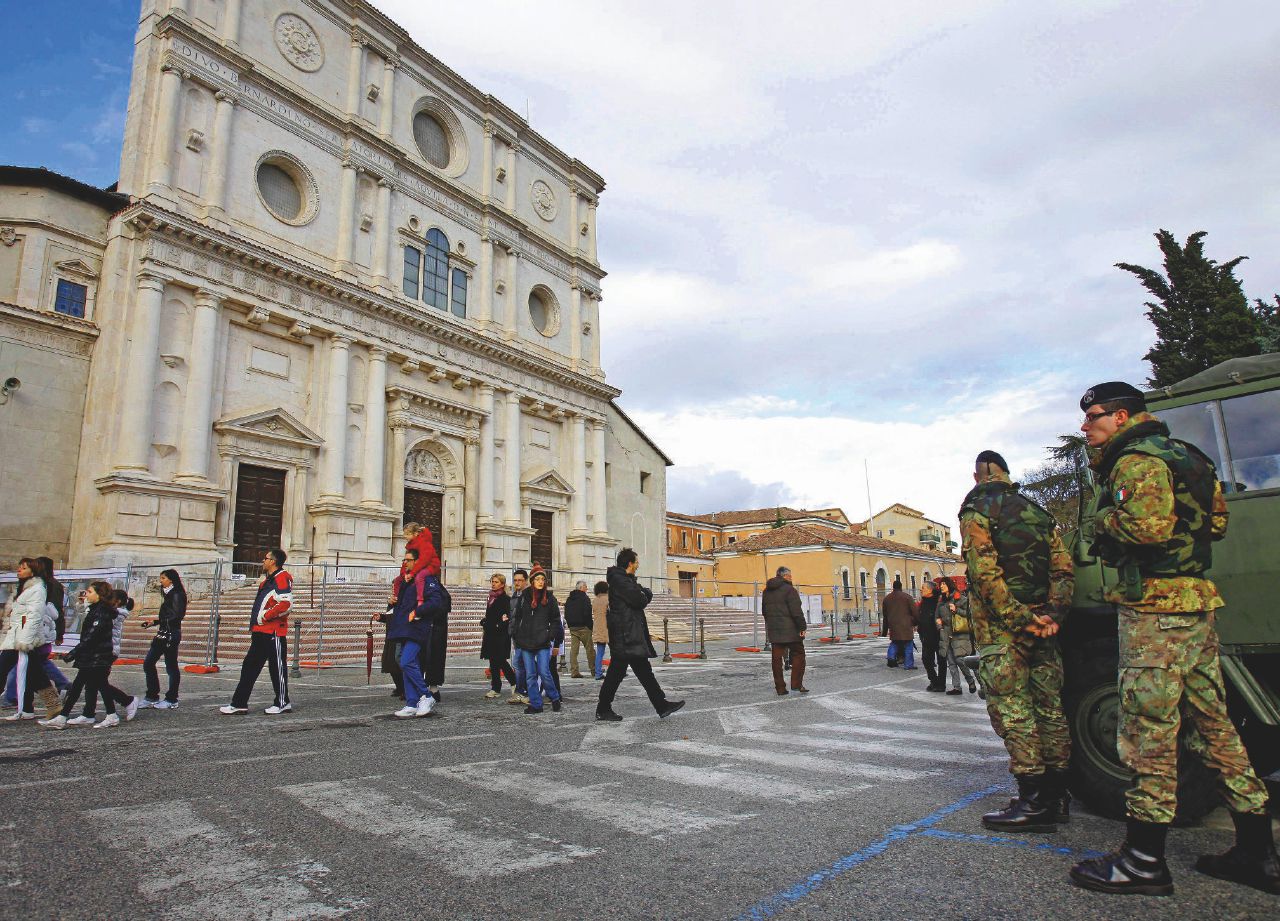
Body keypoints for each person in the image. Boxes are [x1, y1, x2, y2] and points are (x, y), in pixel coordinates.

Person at [1068, 382, 1277, 896]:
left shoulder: (1136, 460)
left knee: (1147, 731)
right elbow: (1220, 520)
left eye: (1093, 416)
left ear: (1121, 416)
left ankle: (1143, 859)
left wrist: (1100, 522)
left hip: (1156, 612)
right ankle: (1257, 849)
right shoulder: (1188, 456)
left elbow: (1148, 528)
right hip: (1195, 604)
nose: (1086, 425)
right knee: (1214, 726)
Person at [958, 450, 1072, 834]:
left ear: (977, 477)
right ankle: (1057, 797)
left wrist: (1020, 619)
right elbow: (1063, 567)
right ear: (1007, 474)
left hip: (1004, 630)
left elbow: (984, 573)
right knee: (1050, 708)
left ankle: (1033, 801)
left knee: (1014, 711)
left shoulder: (977, 508)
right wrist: (1052, 614)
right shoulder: (1037, 512)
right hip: (1045, 626)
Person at [596, 548, 684, 721]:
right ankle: (603, 708)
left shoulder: (624, 580)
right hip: (625, 636)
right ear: (630, 563)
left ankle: (661, 705)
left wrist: (643, 593)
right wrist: (645, 593)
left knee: (643, 671)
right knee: (617, 674)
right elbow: (640, 599)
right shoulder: (620, 581)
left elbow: (639, 595)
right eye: (636, 562)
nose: (638, 565)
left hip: (630, 635)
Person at [220, 549, 293, 715]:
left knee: (277, 668)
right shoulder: (268, 580)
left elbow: (286, 603)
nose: (263, 561)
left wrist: (264, 616)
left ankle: (283, 702)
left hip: (273, 631)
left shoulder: (282, 577)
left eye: (266, 558)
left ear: (273, 561)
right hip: (261, 631)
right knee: (249, 666)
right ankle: (239, 703)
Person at [41, 580, 119, 729]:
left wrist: (73, 653)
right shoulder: (96, 609)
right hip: (93, 656)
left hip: (97, 656)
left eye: (90, 592)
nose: (86, 594)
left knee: (98, 686)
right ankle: (65, 717)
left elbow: (91, 637)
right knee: (81, 686)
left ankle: (111, 715)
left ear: (100, 595)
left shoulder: (101, 612)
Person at [386, 548, 443, 718]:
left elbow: (435, 602)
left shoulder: (427, 579)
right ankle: (412, 702)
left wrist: (417, 612)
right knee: (408, 663)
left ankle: (426, 695)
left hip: (417, 627)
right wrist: (392, 603)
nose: (406, 563)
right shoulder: (408, 580)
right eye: (405, 560)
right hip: (404, 627)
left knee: (406, 661)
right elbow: (402, 604)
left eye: (409, 560)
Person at [1, 557, 60, 721]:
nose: (19, 569)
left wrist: (25, 640)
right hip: (17, 636)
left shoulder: (37, 589)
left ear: (32, 571)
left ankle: (53, 705)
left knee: (2, 669)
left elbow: (35, 616)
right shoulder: (23, 588)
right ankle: (52, 705)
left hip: (23, 639)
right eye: (19, 567)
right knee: (35, 673)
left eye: (23, 567)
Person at [511, 568, 562, 715]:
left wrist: (550, 636)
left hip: (543, 641)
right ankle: (536, 704)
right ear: (532, 581)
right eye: (538, 579)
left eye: (543, 580)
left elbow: (556, 620)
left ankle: (554, 697)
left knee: (544, 671)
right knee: (530, 674)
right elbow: (518, 618)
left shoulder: (550, 598)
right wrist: (517, 635)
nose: (541, 582)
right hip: (526, 641)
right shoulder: (524, 597)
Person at [138, 568, 186, 709]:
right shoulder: (168, 594)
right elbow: (169, 615)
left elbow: (177, 615)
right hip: (163, 632)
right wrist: (155, 622)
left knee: (171, 666)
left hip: (171, 634)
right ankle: (152, 695)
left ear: (171, 579)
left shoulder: (177, 594)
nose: (161, 581)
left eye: (163, 578)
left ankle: (172, 699)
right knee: (148, 663)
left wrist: (162, 621)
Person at [761, 566, 808, 695]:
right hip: (791, 631)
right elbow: (796, 612)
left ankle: (780, 688)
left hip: (774, 631)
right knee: (799, 654)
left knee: (776, 660)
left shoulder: (766, 591)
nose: (791, 578)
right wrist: (802, 627)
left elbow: (764, 612)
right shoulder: (790, 590)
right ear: (785, 576)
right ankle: (796, 685)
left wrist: (772, 624)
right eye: (790, 576)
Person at [937, 578, 978, 696]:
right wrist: (939, 625)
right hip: (946, 634)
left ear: (949, 585)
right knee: (951, 662)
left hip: (960, 634)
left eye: (944, 584)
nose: (941, 586)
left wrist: (957, 610)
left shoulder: (961, 599)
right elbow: (937, 616)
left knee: (961, 660)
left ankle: (970, 681)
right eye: (941, 584)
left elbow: (970, 615)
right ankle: (957, 687)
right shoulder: (941, 601)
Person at [480, 573, 517, 699]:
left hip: (500, 635)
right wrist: (485, 621)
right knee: (493, 661)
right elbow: (491, 614)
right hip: (490, 634)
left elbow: (507, 616)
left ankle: (514, 683)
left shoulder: (505, 598)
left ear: (502, 584)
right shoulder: (490, 597)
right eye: (492, 581)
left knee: (500, 660)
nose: (493, 584)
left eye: (496, 582)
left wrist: (497, 625)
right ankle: (495, 688)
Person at [879, 580, 917, 669]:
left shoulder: (887, 599)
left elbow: (885, 616)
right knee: (908, 644)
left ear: (893, 587)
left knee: (894, 643)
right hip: (906, 625)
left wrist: (884, 631)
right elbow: (915, 612)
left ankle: (891, 659)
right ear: (901, 587)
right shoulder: (908, 597)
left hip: (893, 626)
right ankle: (908, 665)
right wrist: (915, 623)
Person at [506, 569, 531, 705]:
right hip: (516, 634)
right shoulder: (514, 596)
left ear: (526, 581)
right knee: (519, 664)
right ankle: (522, 691)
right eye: (515, 580)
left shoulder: (528, 596)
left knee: (521, 664)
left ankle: (524, 692)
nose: (517, 583)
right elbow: (513, 615)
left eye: (520, 580)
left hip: (526, 635)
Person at [917, 581, 945, 691]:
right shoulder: (923, 602)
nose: (921, 589)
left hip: (938, 636)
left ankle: (941, 685)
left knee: (941, 661)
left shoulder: (938, 602)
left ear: (930, 590)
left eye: (923, 587)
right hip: (926, 637)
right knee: (926, 659)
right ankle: (934, 680)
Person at [564, 580, 594, 678]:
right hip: (584, 627)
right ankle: (594, 670)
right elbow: (587, 613)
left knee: (574, 650)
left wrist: (570, 625)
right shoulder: (585, 598)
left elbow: (566, 613)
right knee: (590, 649)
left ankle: (574, 671)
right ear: (581, 588)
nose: (587, 588)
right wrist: (590, 626)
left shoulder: (569, 599)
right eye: (585, 586)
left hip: (573, 627)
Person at [590, 580, 609, 680]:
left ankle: (598, 673)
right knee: (616, 652)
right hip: (608, 628)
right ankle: (617, 671)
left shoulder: (595, 600)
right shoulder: (608, 599)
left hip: (597, 627)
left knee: (600, 652)